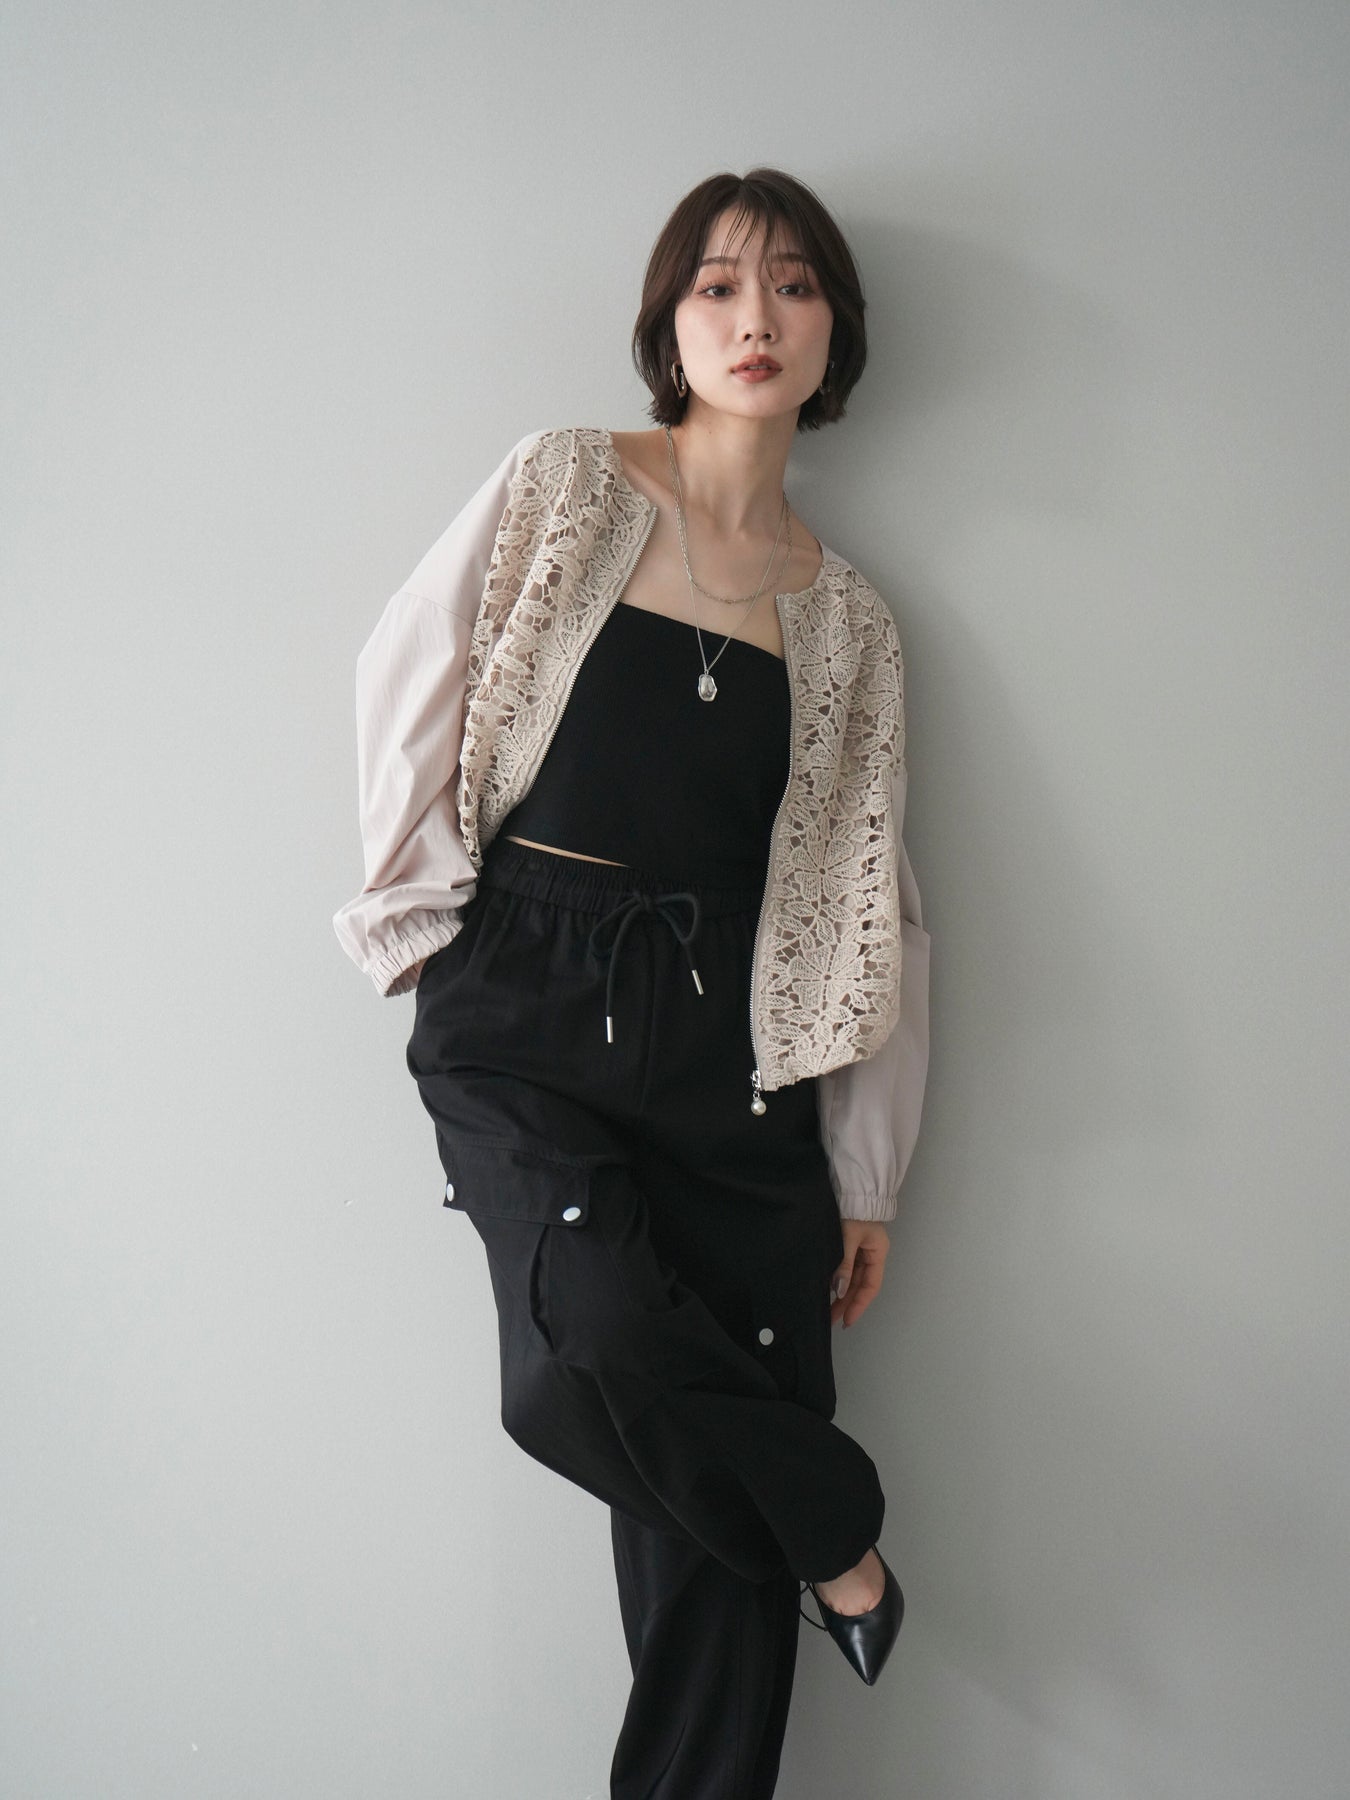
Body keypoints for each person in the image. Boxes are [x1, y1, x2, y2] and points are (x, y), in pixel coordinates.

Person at [333, 167, 932, 1799]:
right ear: (669, 324)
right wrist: (415, 914)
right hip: (524, 994)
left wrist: (865, 1171)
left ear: (835, 333)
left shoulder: (850, 623)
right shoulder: (566, 481)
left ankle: (766, 1600)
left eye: (794, 287)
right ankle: (834, 1531)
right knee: (582, 1337)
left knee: (705, 1594)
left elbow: (871, 908)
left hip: (737, 1060)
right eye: (717, 285)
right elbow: (410, 664)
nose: (755, 318)